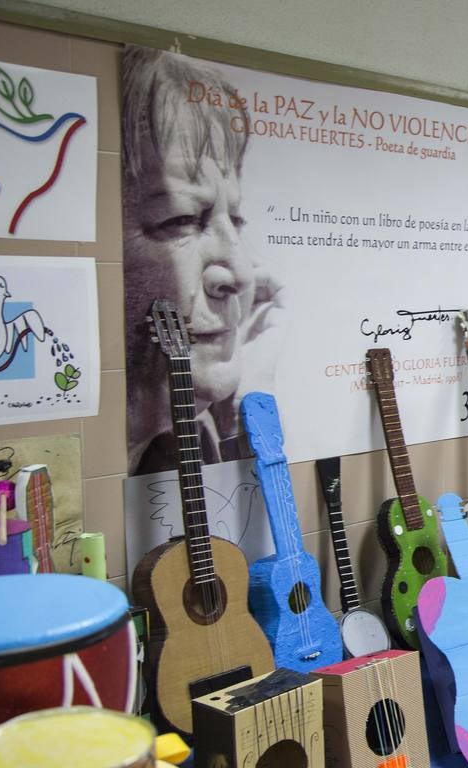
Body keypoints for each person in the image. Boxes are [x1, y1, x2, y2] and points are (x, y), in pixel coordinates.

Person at [122, 46, 286, 476]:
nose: (239, 273)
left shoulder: (196, 437)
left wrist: (248, 414)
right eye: (181, 219)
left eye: (235, 218)